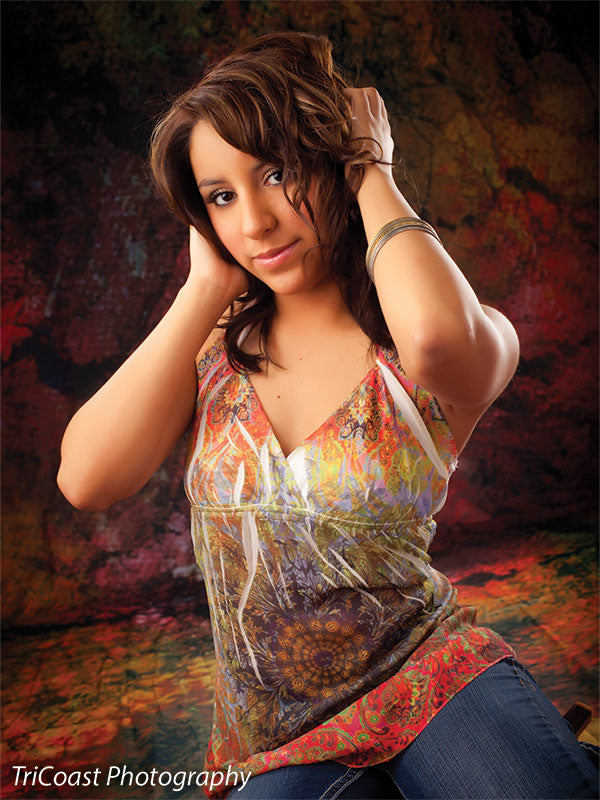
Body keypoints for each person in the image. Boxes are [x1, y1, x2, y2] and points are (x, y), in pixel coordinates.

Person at [57, 32, 598, 800]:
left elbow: (437, 337)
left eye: (277, 173)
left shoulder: (434, 342)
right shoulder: (212, 347)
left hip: (428, 681)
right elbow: (86, 479)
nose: (255, 222)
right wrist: (203, 289)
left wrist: (370, 164)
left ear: (331, 159)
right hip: (277, 736)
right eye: (221, 196)